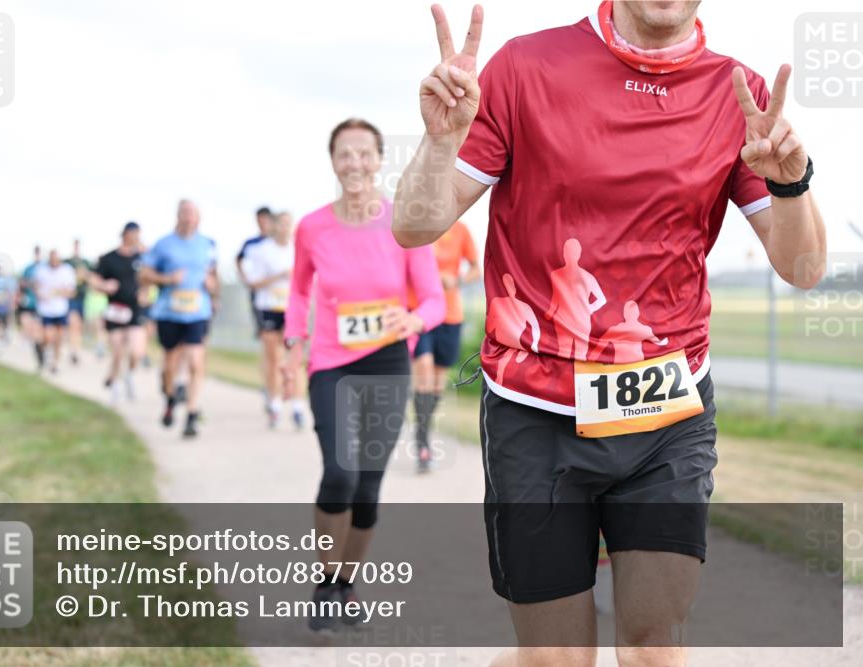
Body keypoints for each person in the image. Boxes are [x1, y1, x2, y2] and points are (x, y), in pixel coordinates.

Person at [392, 3, 826, 666]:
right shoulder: (525, 66)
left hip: (667, 409)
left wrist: (792, 184)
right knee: (555, 659)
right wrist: (440, 143)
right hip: (536, 409)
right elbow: (415, 226)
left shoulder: (739, 93)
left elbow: (803, 268)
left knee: (654, 650)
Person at [281, 118, 445, 633]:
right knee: (340, 472)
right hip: (331, 362)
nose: (354, 163)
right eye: (344, 154)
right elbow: (299, 291)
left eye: (364, 153)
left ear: (379, 160)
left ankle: (345, 584)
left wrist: (415, 320)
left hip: (388, 361)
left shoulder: (404, 223)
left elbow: (435, 299)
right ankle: (325, 581)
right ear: (333, 161)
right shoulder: (312, 227)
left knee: (368, 485)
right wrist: (293, 342)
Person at [141, 199, 219, 439]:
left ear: (198, 217)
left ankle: (192, 414)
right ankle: (170, 398)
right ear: (178, 216)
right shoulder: (163, 244)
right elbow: (143, 275)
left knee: (196, 361)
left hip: (198, 311)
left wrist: (213, 287)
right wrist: (167, 279)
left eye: (192, 213)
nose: (188, 217)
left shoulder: (208, 244)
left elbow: (213, 275)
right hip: (169, 312)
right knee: (170, 365)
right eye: (184, 213)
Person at [411, 218, 480, 472]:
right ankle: (422, 442)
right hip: (418, 312)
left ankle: (423, 429)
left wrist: (456, 280)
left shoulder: (461, 229)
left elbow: (476, 269)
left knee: (438, 382)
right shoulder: (416, 227)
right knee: (424, 369)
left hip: (450, 314)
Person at [241, 211, 306, 428]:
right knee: (273, 358)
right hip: (268, 307)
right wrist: (279, 276)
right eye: (282, 224)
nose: (285, 228)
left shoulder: (298, 248)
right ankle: (275, 404)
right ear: (274, 226)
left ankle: (297, 406)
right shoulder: (261, 250)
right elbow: (253, 283)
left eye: (289, 224)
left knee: (295, 357)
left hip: (292, 309)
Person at [91, 222, 147, 401]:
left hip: (135, 310)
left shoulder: (143, 257)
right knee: (117, 351)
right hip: (115, 309)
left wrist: (145, 292)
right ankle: (115, 387)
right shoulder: (109, 258)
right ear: (125, 234)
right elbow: (94, 280)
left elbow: (150, 277)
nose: (136, 237)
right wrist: (103, 285)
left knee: (136, 352)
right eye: (133, 233)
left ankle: (128, 374)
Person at [237, 206, 274, 409]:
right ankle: (268, 386)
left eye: (265, 220)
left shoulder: (279, 242)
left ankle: (277, 386)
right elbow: (238, 259)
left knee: (282, 349)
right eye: (259, 220)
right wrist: (245, 279)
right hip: (261, 300)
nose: (263, 223)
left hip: (284, 302)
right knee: (268, 346)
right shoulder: (251, 244)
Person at [34, 249, 77, 374]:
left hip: (61, 309)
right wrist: (40, 294)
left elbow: (72, 291)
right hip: (45, 309)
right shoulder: (41, 270)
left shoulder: (67, 271)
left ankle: (55, 363)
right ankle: (41, 348)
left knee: (59, 337)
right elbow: (36, 287)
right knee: (48, 336)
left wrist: (60, 292)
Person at [65, 239, 92, 365]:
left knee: (78, 327)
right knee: (73, 324)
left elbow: (92, 277)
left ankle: (76, 349)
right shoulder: (68, 262)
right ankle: (74, 350)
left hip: (82, 298)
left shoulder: (86, 262)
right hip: (71, 298)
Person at [17, 246, 45, 368]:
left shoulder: (45, 268)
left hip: (41, 305)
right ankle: (36, 351)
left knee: (38, 332)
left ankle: (41, 354)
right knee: (28, 326)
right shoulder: (28, 268)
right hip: (28, 303)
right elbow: (22, 283)